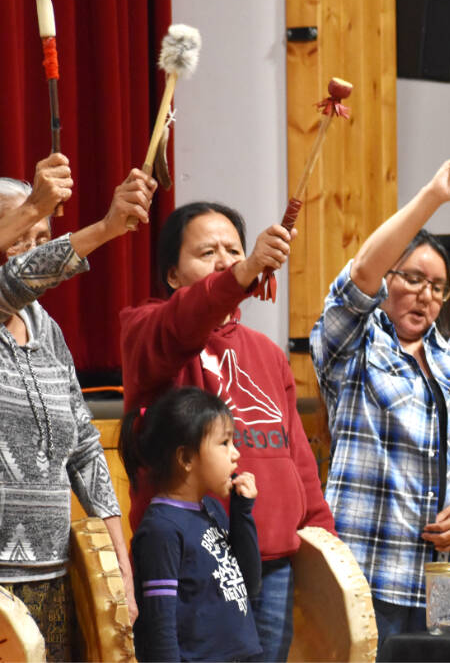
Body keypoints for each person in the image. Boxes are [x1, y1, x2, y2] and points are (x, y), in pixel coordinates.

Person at [309, 155, 450, 645]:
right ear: (388, 281)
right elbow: (358, 274)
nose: (426, 294)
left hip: (449, 578)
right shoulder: (356, 345)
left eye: (438, 287)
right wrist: (435, 197)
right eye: (413, 279)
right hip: (372, 569)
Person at [119, 202, 335, 662]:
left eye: (233, 250)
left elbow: (297, 457)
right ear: (173, 275)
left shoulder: (268, 353)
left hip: (273, 564)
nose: (223, 261)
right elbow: (182, 322)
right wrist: (245, 270)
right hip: (192, 562)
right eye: (206, 252)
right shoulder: (147, 330)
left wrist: (322, 538)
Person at [0, 154, 156, 660]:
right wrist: (107, 227)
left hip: (52, 578)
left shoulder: (48, 331)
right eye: (17, 234)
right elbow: (15, 280)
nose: (29, 254)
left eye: (41, 240)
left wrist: (120, 569)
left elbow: (85, 451)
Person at [121, 386, 262, 662]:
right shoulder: (161, 529)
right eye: (224, 443)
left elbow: (250, 584)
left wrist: (242, 513)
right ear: (186, 458)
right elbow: (160, 626)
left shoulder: (210, 509)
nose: (235, 454)